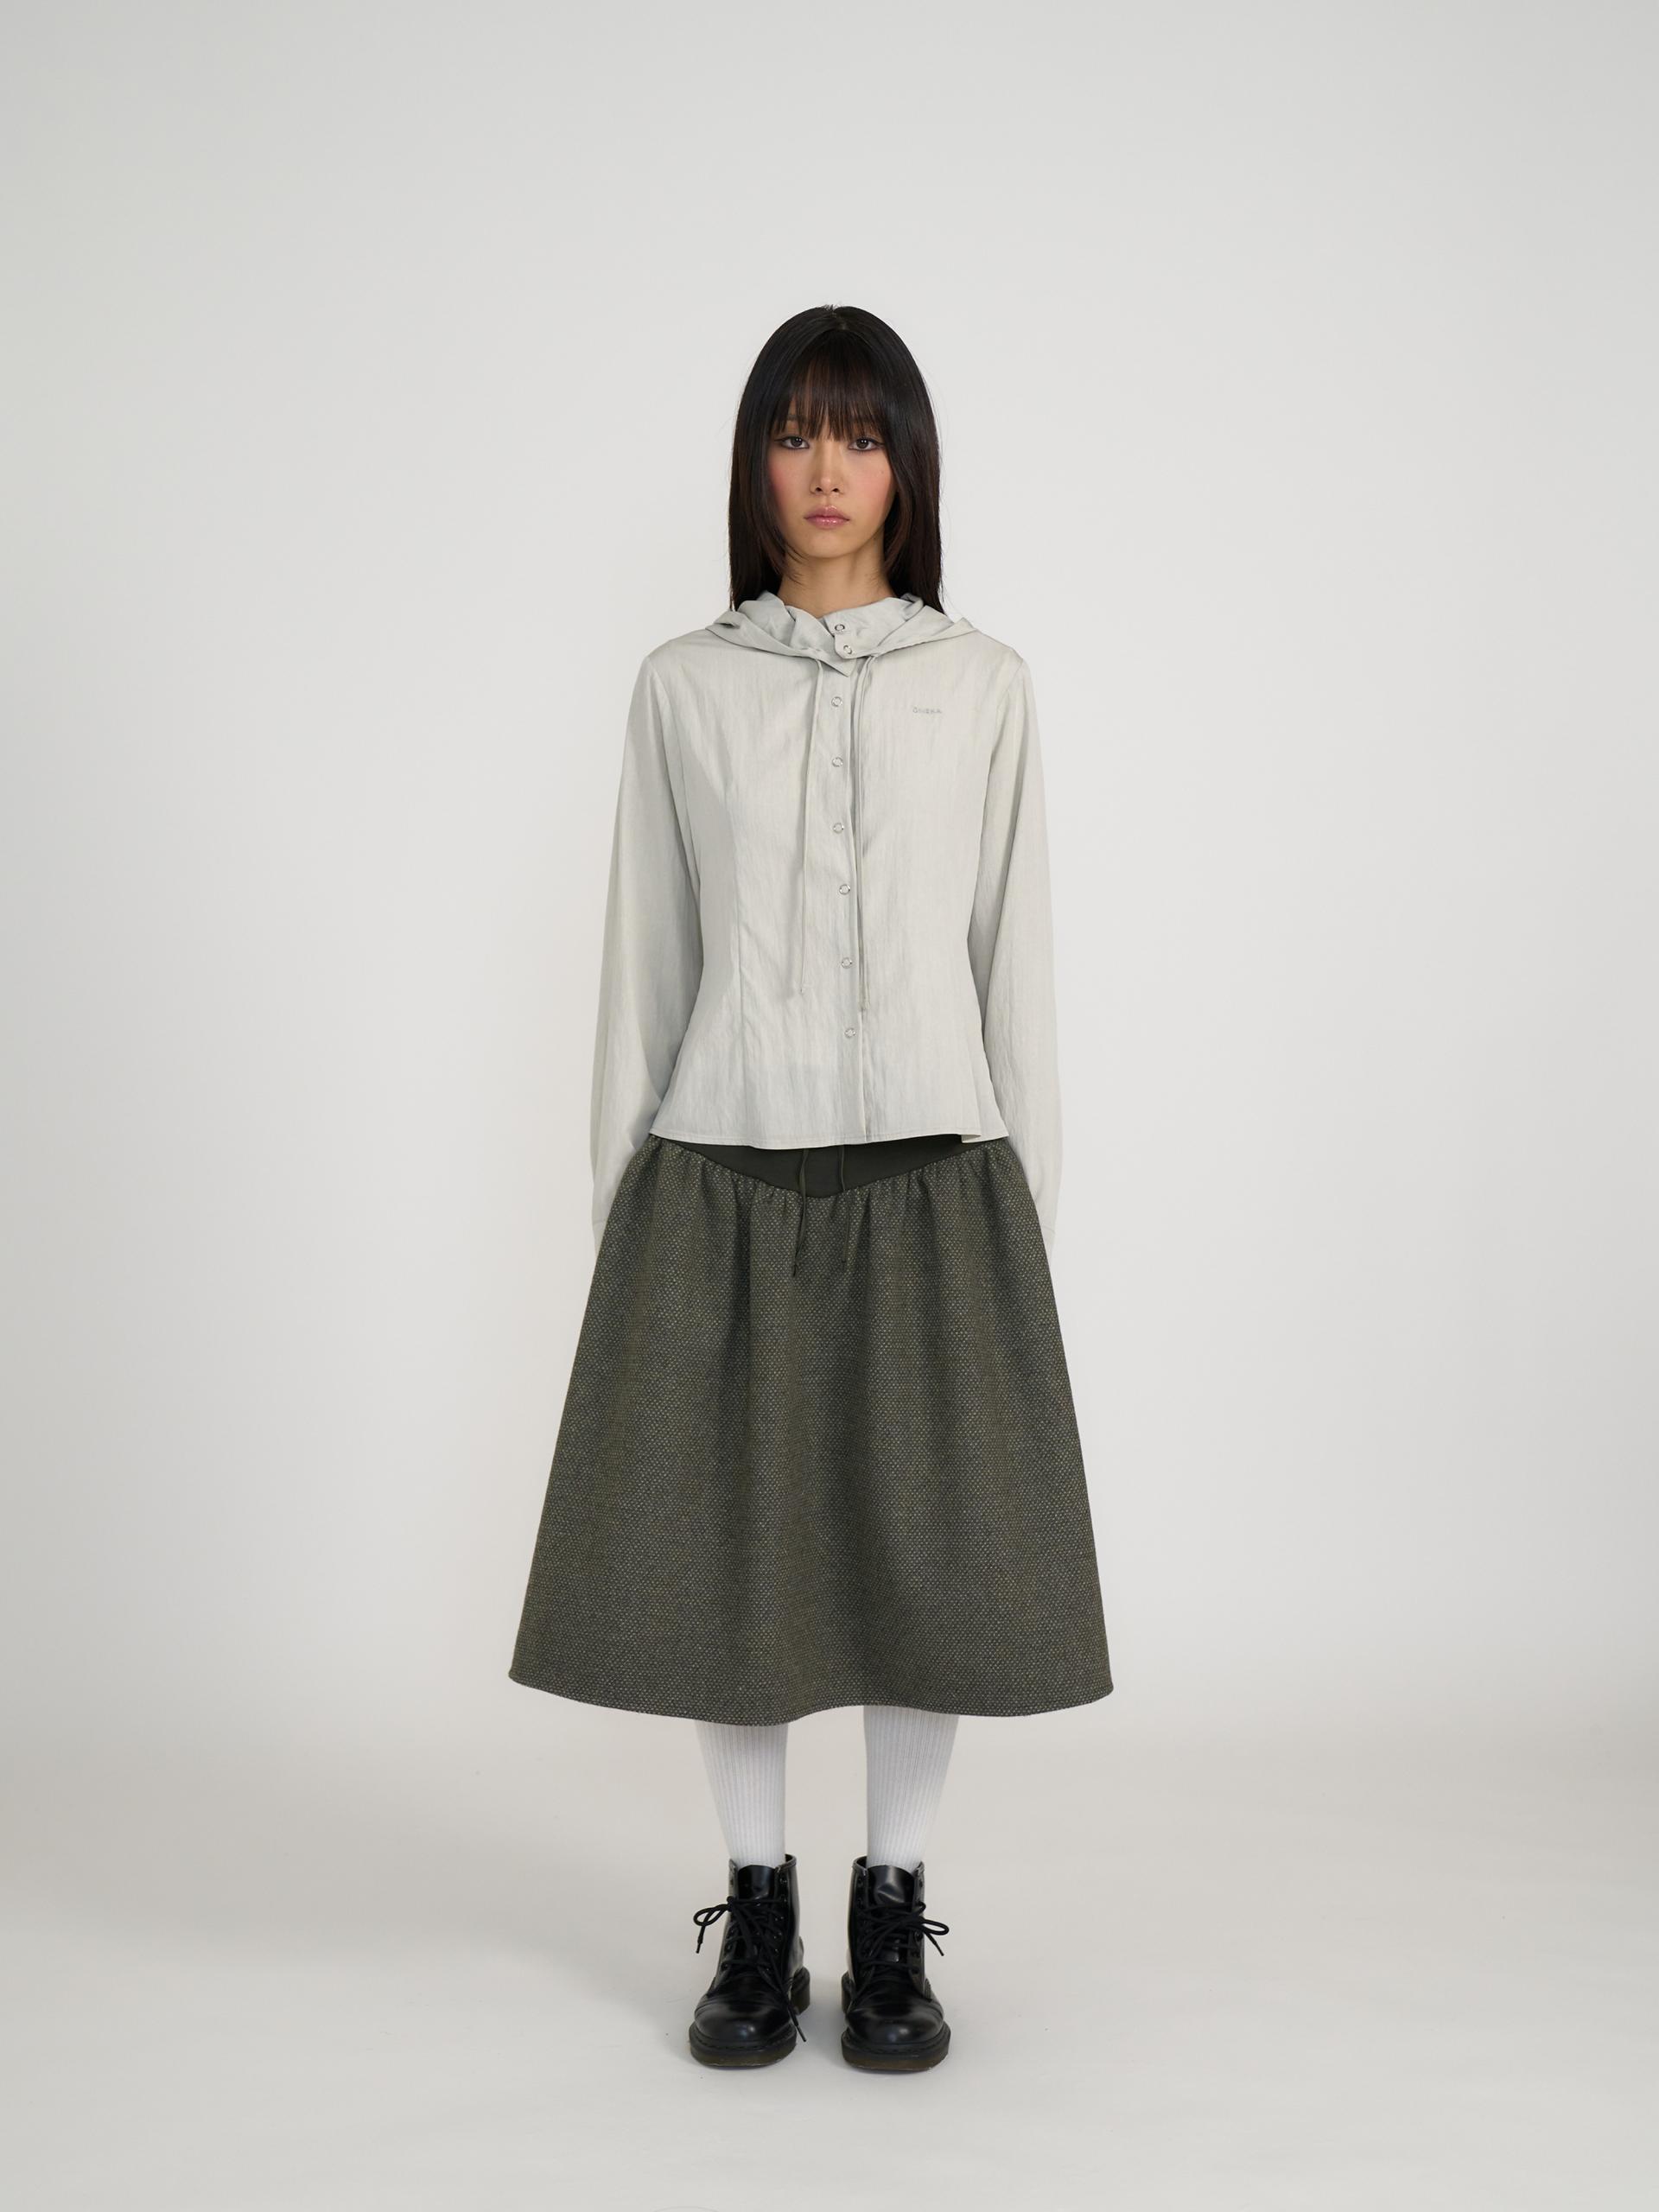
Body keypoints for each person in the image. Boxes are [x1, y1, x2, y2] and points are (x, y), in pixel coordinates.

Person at [509, 302, 1112, 2073]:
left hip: (939, 1175)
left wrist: (1025, 1219)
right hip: (724, 1175)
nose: (827, 468)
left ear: (907, 464)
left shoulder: (981, 684)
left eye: (858, 432)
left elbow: (1016, 968)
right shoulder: (682, 688)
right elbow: (645, 962)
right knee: (738, 1562)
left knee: (927, 1563)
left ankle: (893, 1905)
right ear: (754, 465)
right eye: (793, 432)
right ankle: (757, 1906)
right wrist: (625, 1216)